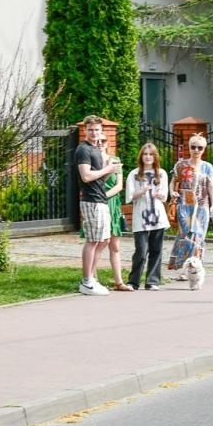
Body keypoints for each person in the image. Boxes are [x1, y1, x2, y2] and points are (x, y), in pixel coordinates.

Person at [74, 116, 121, 296]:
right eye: (91, 130)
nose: (95, 133)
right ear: (85, 130)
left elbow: (99, 178)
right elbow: (85, 176)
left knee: (104, 240)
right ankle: (87, 281)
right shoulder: (83, 150)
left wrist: (110, 169)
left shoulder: (94, 149)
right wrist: (107, 170)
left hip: (101, 199)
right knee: (93, 240)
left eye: (97, 130)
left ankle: (91, 278)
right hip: (91, 200)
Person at [167, 134, 213, 275]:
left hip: (202, 207)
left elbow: (211, 186)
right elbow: (173, 181)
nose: (196, 150)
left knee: (198, 236)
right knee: (185, 235)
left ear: (204, 149)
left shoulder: (207, 167)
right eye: (193, 147)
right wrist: (172, 192)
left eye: (200, 147)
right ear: (189, 148)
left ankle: (195, 268)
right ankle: (183, 269)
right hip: (184, 205)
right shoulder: (181, 165)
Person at [125, 142, 170, 289]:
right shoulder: (134, 174)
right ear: (141, 156)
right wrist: (142, 191)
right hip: (141, 216)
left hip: (157, 215)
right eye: (145, 154)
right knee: (141, 250)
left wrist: (160, 194)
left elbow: (164, 196)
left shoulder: (161, 173)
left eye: (151, 154)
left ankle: (152, 281)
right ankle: (133, 281)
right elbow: (130, 197)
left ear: (155, 156)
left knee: (156, 249)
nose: (148, 157)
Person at [100, 135, 132, 290]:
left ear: (108, 143)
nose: (100, 143)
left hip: (112, 203)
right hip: (97, 204)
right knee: (97, 243)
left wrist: (104, 196)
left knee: (115, 245)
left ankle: (119, 282)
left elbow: (119, 185)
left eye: (103, 140)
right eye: (98, 140)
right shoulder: (90, 161)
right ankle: (92, 279)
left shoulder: (115, 160)